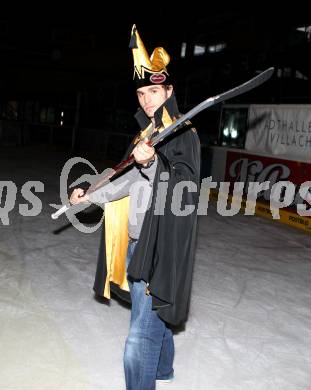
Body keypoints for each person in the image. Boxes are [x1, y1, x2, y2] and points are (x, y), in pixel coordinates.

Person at [70, 24, 201, 390]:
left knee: (136, 341)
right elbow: (122, 177)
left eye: (154, 91)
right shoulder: (144, 136)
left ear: (169, 91)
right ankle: (164, 369)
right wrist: (89, 194)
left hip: (158, 250)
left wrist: (153, 164)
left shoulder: (183, 135)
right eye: (142, 92)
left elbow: (185, 190)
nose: (146, 99)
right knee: (153, 315)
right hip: (136, 241)